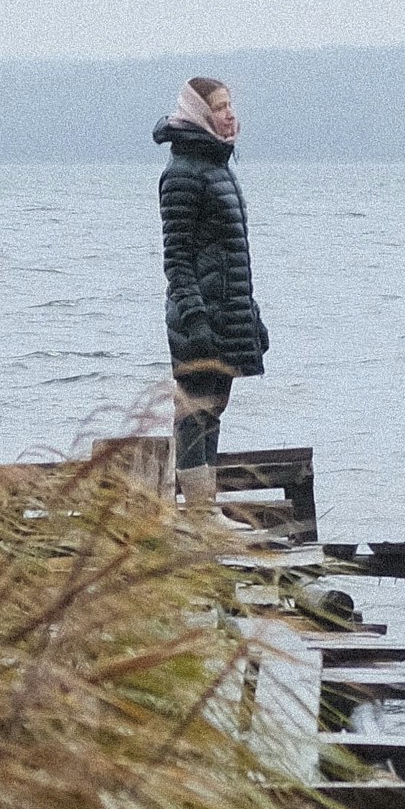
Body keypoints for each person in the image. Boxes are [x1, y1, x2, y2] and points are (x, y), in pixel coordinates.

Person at [154, 72, 268, 519]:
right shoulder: (183, 174)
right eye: (220, 107)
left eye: (230, 105)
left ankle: (206, 510)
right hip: (200, 315)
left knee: (213, 408)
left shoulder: (217, 168)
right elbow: (177, 260)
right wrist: (195, 319)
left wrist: (251, 315)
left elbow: (232, 255)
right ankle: (200, 516)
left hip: (229, 310)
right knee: (193, 412)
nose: (230, 114)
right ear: (201, 114)